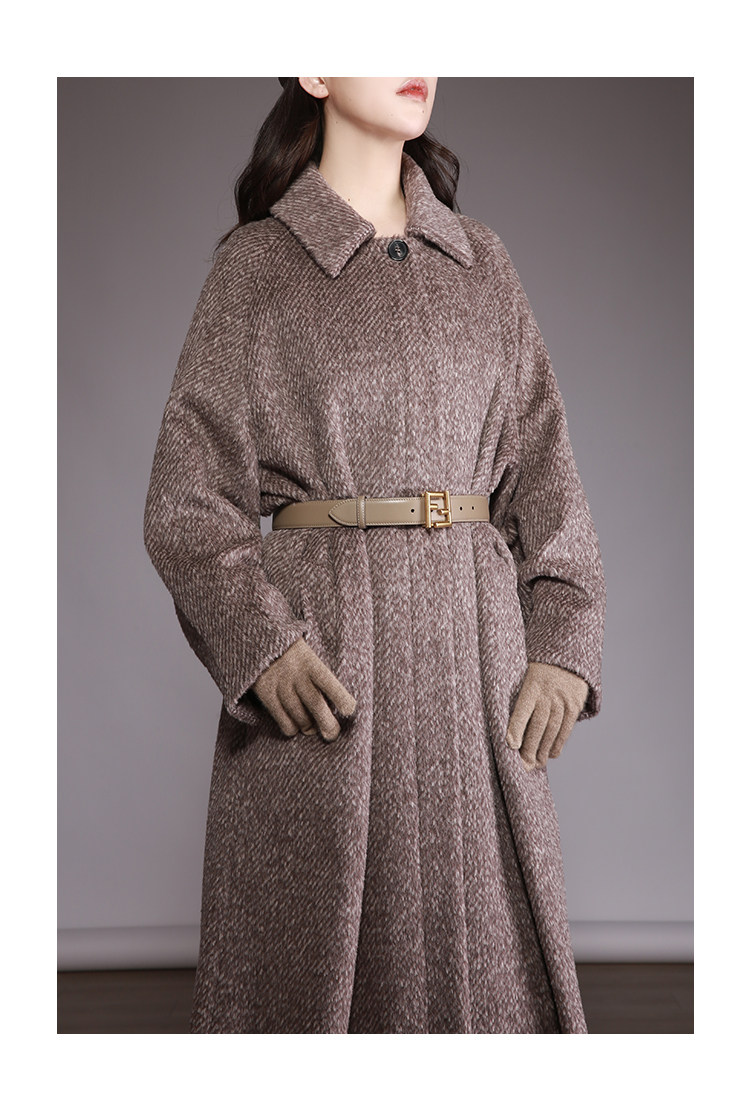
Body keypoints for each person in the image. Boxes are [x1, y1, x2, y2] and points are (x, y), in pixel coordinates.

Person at [143, 76, 606, 1034]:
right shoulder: (258, 269)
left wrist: (564, 637)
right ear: (314, 67)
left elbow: (549, 476)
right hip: (333, 680)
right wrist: (261, 645)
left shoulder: (482, 261)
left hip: (477, 679)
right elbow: (188, 502)